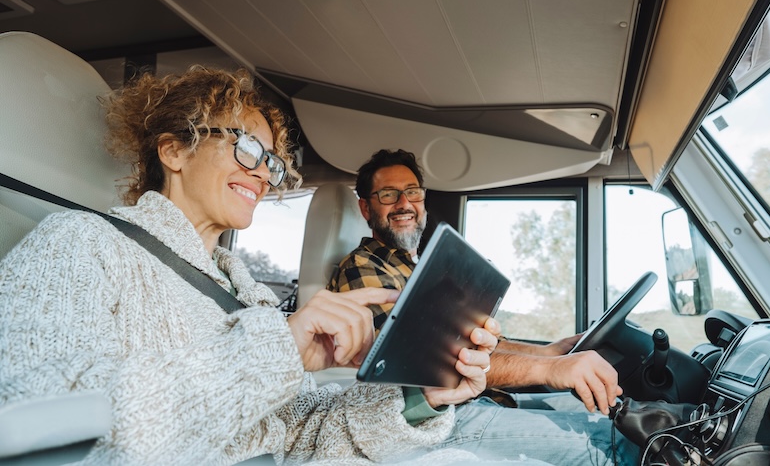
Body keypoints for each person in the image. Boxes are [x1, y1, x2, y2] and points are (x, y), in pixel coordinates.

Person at [0, 67, 501, 465]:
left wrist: (422, 400)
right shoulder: (81, 243)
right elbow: (30, 419)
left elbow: (301, 431)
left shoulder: (248, 295)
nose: (263, 173)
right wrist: (272, 350)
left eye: (272, 163)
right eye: (246, 149)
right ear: (174, 149)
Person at [328, 148, 640, 465]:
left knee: (621, 415)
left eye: (412, 192)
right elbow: (421, 367)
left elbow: (466, 346)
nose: (405, 204)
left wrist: (548, 351)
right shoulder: (362, 270)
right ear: (366, 208)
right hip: (429, 422)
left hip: (473, 401)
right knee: (612, 443)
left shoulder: (421, 270)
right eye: (388, 195)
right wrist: (548, 368)